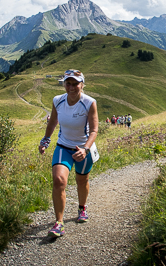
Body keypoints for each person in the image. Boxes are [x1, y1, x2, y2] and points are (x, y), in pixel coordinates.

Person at [39, 69, 99, 238]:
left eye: (75, 84)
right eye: (68, 83)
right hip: (63, 147)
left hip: (83, 149)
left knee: (82, 180)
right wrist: (45, 140)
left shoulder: (89, 102)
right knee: (58, 181)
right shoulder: (58, 100)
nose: (71, 87)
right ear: (64, 84)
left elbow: (94, 130)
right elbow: (52, 122)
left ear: (82, 85)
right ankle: (59, 223)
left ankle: (82, 208)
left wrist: (85, 149)